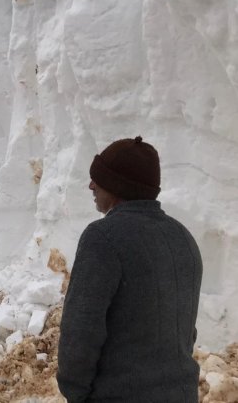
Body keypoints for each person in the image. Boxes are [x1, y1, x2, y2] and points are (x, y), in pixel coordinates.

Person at [57, 136, 203, 402]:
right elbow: (185, 333)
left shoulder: (102, 237)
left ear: (116, 186)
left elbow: (81, 332)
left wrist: (75, 392)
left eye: (98, 179)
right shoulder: (184, 237)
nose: (91, 185)